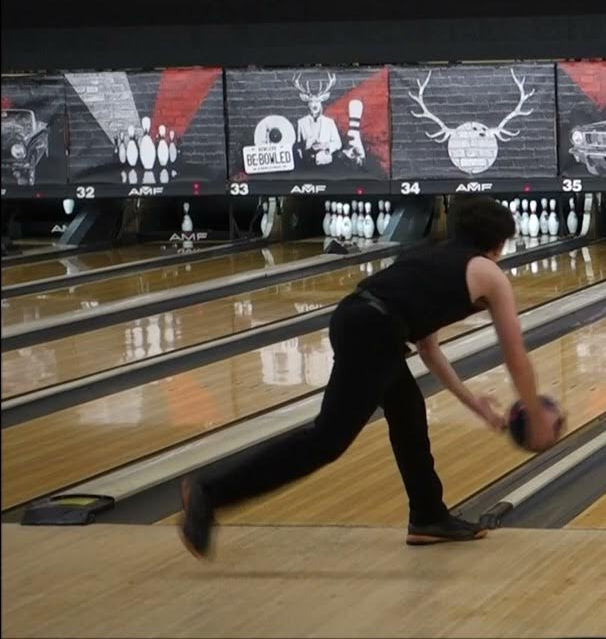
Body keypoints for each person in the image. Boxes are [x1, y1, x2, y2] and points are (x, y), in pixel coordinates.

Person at [179, 197, 559, 559]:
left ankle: (428, 515)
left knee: (408, 412)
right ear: (499, 244)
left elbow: (428, 348)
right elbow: (515, 356)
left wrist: (474, 402)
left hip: (360, 319)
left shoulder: (433, 257)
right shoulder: (488, 273)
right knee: (327, 440)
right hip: (374, 331)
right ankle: (209, 492)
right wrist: (534, 412)